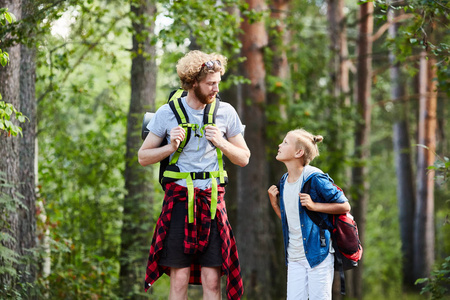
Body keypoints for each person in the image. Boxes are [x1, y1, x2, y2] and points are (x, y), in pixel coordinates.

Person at [139, 50, 250, 300]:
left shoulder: (227, 112)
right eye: (211, 83)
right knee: (179, 279)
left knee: (212, 280)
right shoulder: (167, 113)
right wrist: (169, 147)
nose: (215, 89)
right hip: (179, 202)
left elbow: (244, 158)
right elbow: (142, 157)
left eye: (218, 83)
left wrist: (221, 142)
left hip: (212, 202)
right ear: (193, 82)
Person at [267, 129, 350, 300]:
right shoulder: (283, 182)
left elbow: (345, 205)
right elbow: (291, 222)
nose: (279, 145)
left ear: (299, 152)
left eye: (285, 143)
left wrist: (314, 205)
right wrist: (275, 204)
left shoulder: (315, 178)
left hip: (318, 255)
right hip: (294, 257)